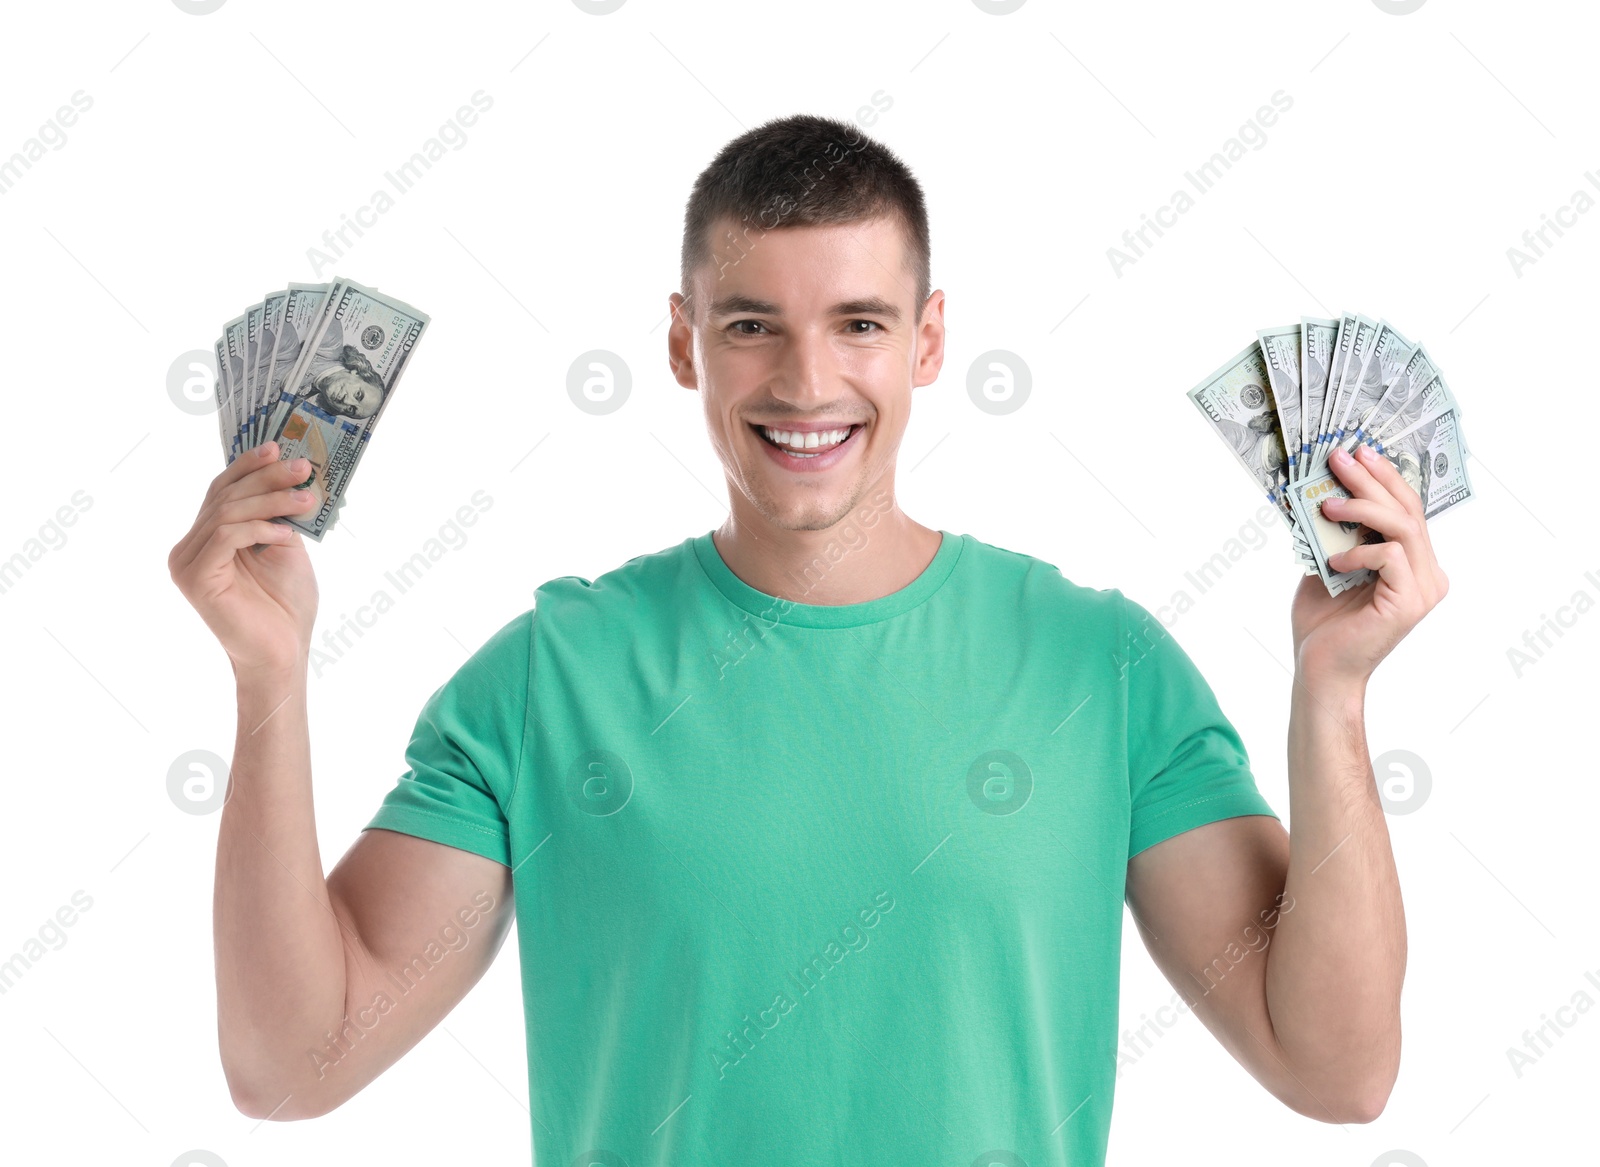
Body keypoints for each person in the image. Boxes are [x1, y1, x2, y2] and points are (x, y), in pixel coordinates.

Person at [168, 113, 1449, 1166]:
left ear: (928, 340)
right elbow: (292, 1067)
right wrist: (267, 676)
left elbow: (1336, 1073)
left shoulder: (1100, 671)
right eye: (750, 326)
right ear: (684, 344)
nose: (806, 382)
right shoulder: (545, 683)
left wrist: (1330, 700)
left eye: (858, 323)